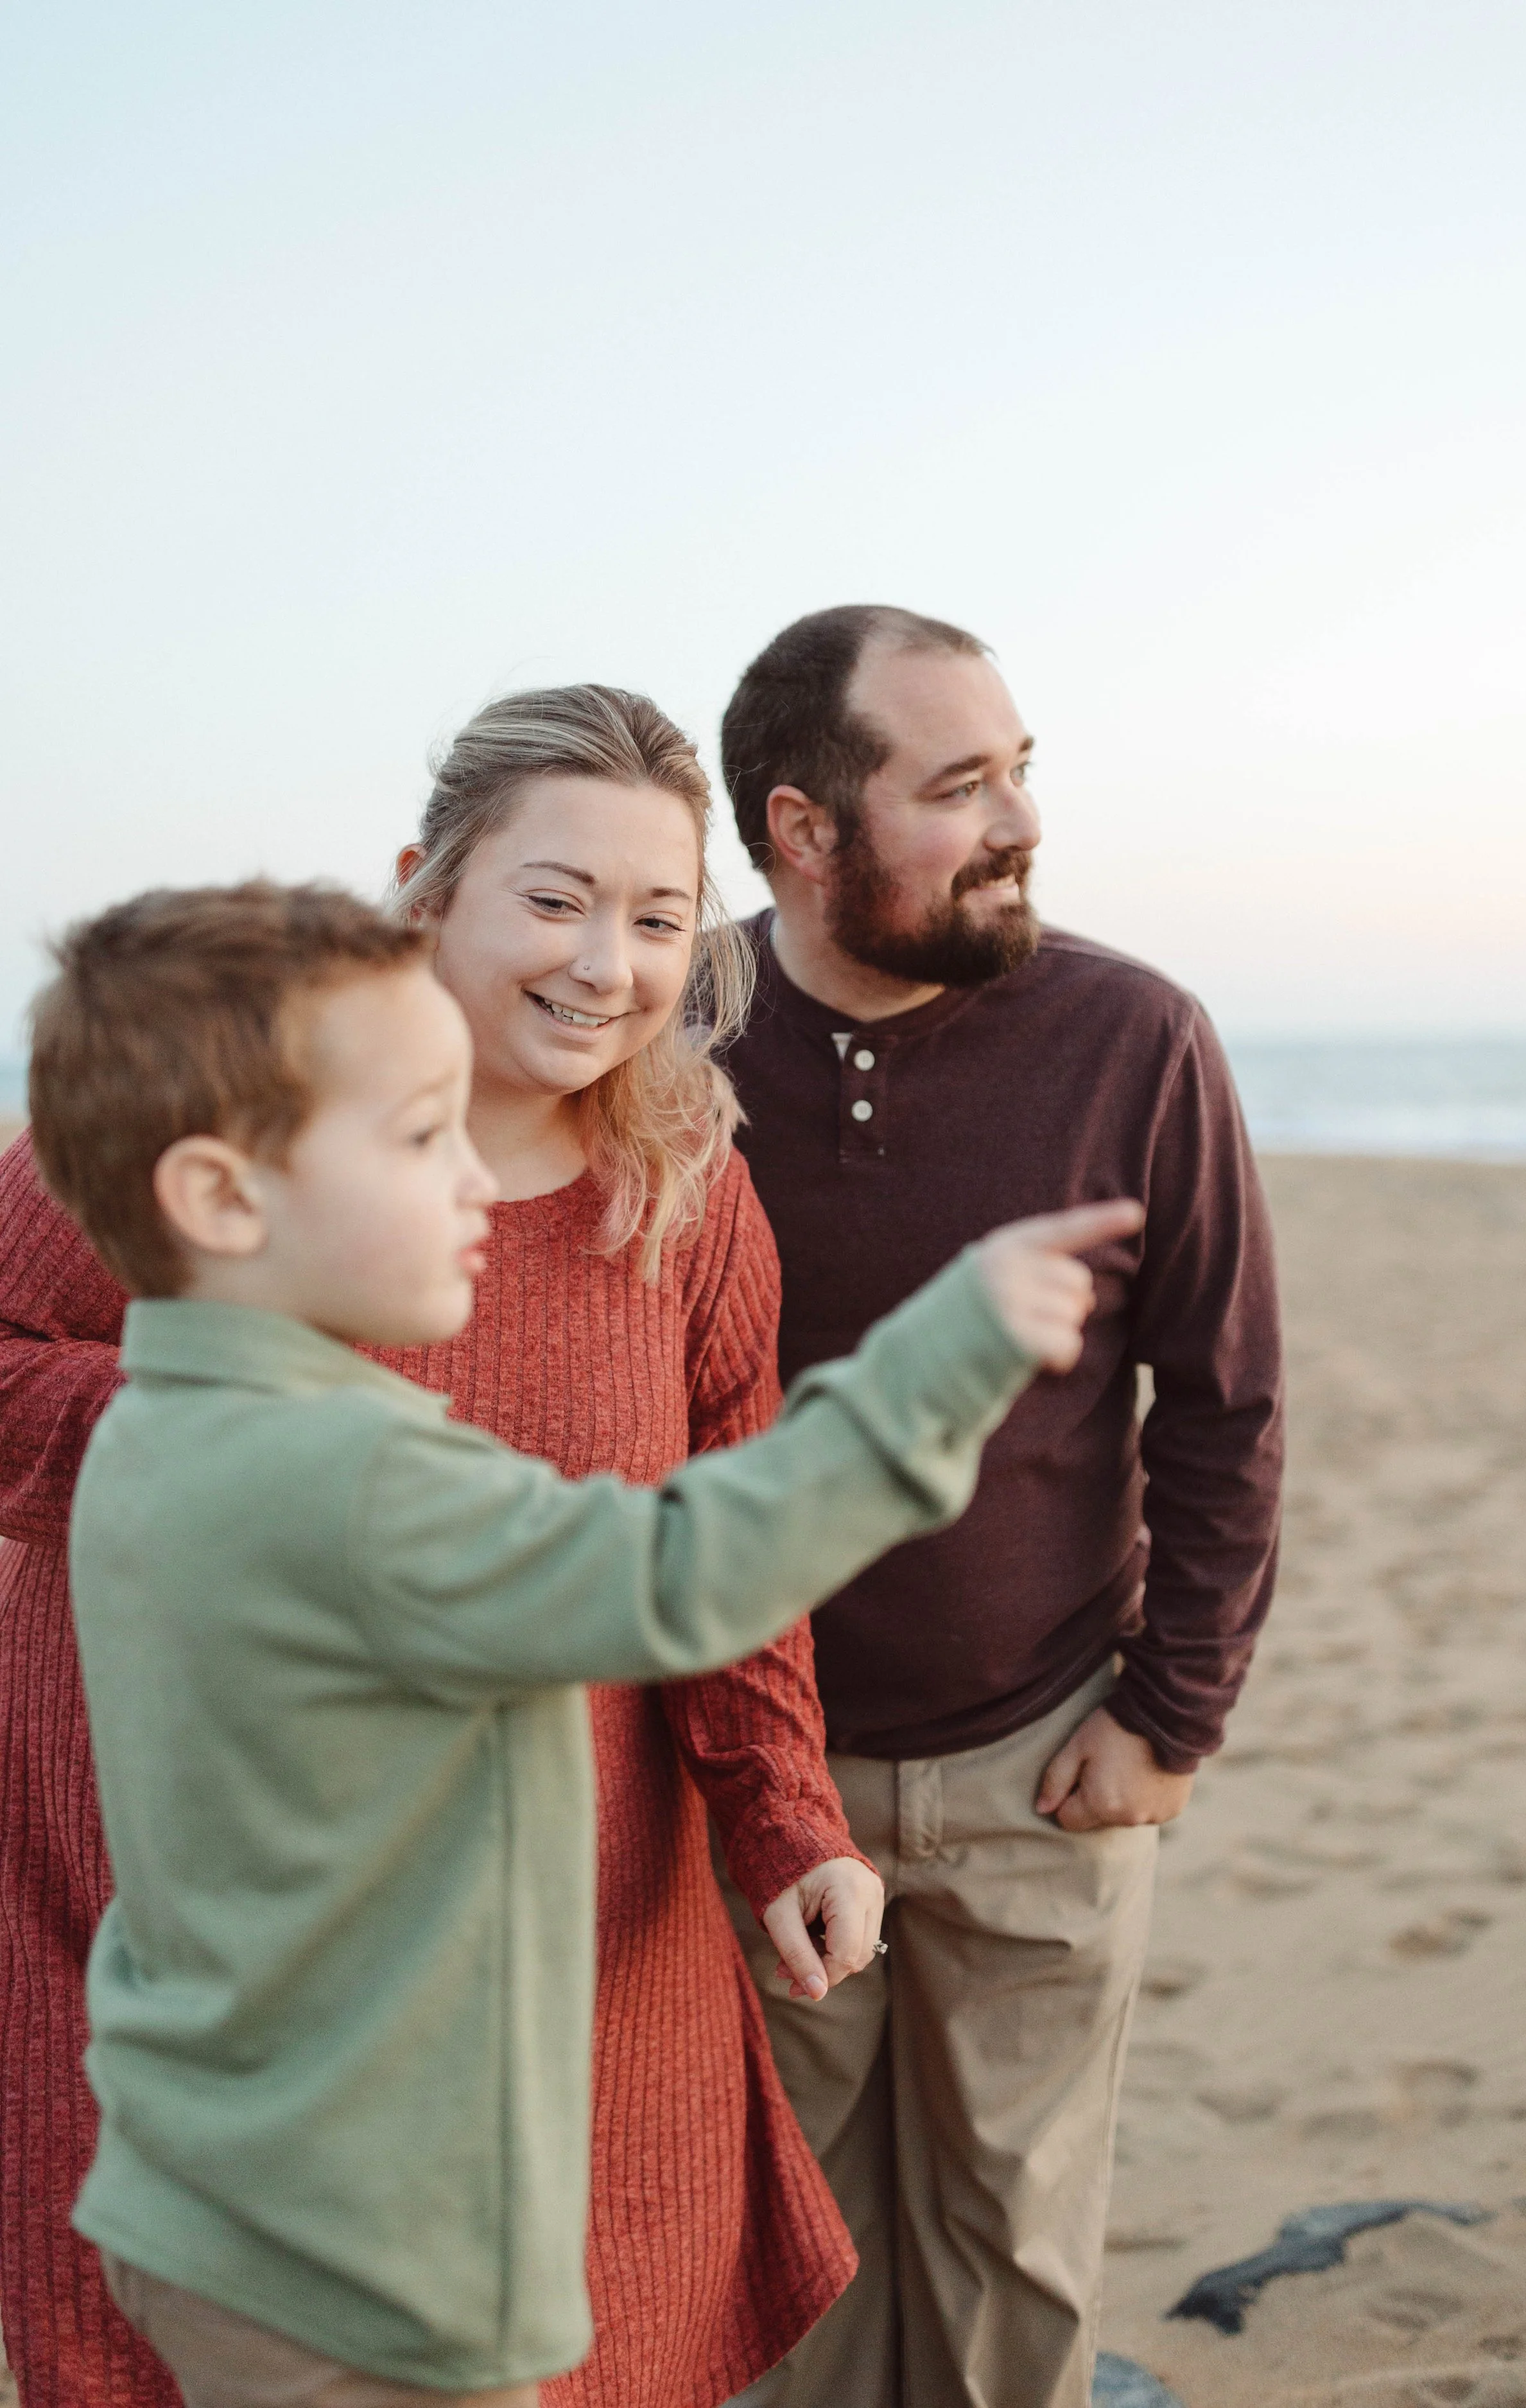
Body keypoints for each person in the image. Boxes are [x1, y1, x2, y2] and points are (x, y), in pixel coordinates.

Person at [28, 876, 1138, 2408]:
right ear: (223, 1200)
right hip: (369, 2258)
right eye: (422, 1142)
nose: (479, 1184)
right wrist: (935, 1364)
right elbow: (679, 1572)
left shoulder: (155, 1436)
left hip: (201, 2205)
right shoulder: (348, 1484)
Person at [714, 606, 1285, 2408]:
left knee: (1014, 2254)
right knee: (773, 2259)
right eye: (957, 783)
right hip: (746, 1774)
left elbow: (1222, 1398)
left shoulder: (1134, 1036)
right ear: (804, 829)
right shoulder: (666, 1033)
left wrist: (1168, 1710)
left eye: (1020, 766)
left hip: (1041, 1764)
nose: (1022, 816)